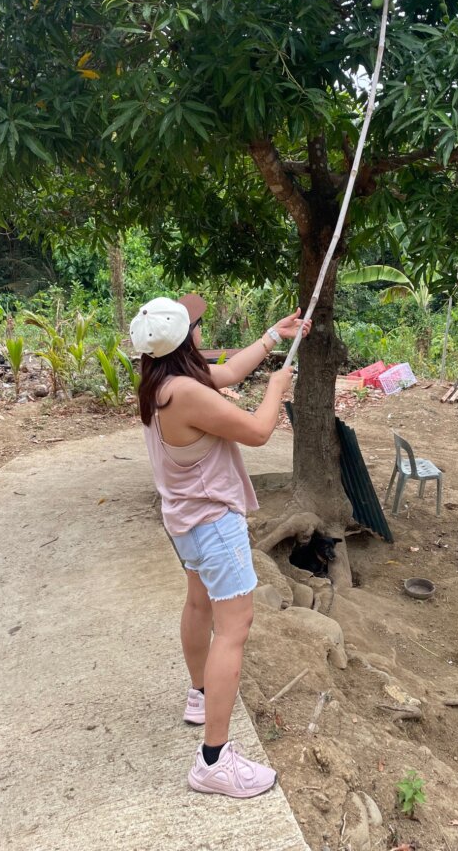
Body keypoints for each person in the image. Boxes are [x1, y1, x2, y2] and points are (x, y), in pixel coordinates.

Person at [130, 293, 310, 797]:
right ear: (186, 339)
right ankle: (213, 759)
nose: (201, 330)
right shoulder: (187, 392)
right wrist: (276, 388)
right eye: (196, 325)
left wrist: (273, 336)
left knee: (198, 603)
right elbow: (257, 431)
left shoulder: (160, 381)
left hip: (185, 520)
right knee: (234, 629)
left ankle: (199, 694)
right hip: (212, 525)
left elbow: (228, 373)